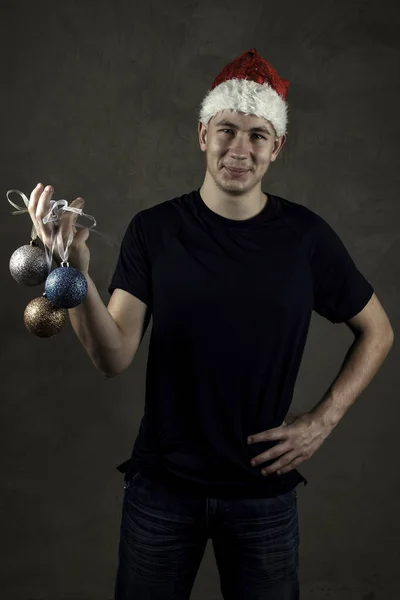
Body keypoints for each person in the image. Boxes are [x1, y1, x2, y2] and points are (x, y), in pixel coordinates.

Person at [28, 49, 394, 600]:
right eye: (227, 130)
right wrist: (71, 273)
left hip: (262, 496)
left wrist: (323, 420)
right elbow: (113, 357)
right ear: (203, 134)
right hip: (161, 491)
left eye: (257, 135)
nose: (239, 150)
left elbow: (379, 331)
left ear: (278, 147)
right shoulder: (154, 231)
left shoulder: (307, 238)